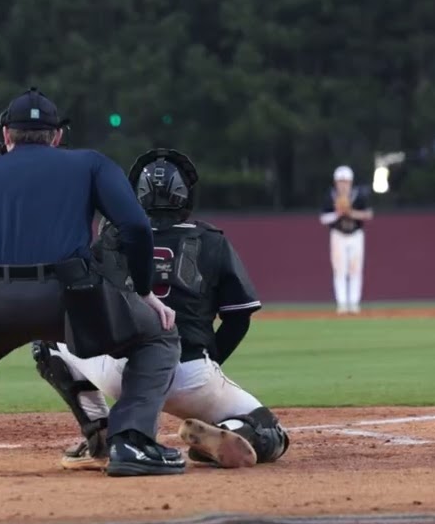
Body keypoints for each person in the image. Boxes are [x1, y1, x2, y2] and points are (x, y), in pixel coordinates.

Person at [0, 88, 184, 479]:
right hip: (75, 298)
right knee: (159, 336)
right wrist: (144, 291)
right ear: (58, 136)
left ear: (7, 135)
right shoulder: (91, 164)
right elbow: (134, 226)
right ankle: (130, 440)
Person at [34, 149, 291, 471]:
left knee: (45, 342)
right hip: (190, 373)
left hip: (117, 370)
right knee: (270, 432)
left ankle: (99, 435)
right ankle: (233, 431)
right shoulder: (211, 240)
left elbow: (80, 306)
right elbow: (238, 318)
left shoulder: (110, 238)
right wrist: (206, 359)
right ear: (186, 196)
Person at [320, 165, 374, 314]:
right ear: (336, 182)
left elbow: (368, 214)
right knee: (339, 270)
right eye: (340, 181)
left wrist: (350, 212)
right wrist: (338, 213)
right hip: (338, 235)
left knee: (355, 270)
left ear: (350, 182)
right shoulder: (330, 196)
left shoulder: (359, 195)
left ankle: (354, 303)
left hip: (356, 234)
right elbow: (323, 218)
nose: (343, 185)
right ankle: (342, 304)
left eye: (346, 181)